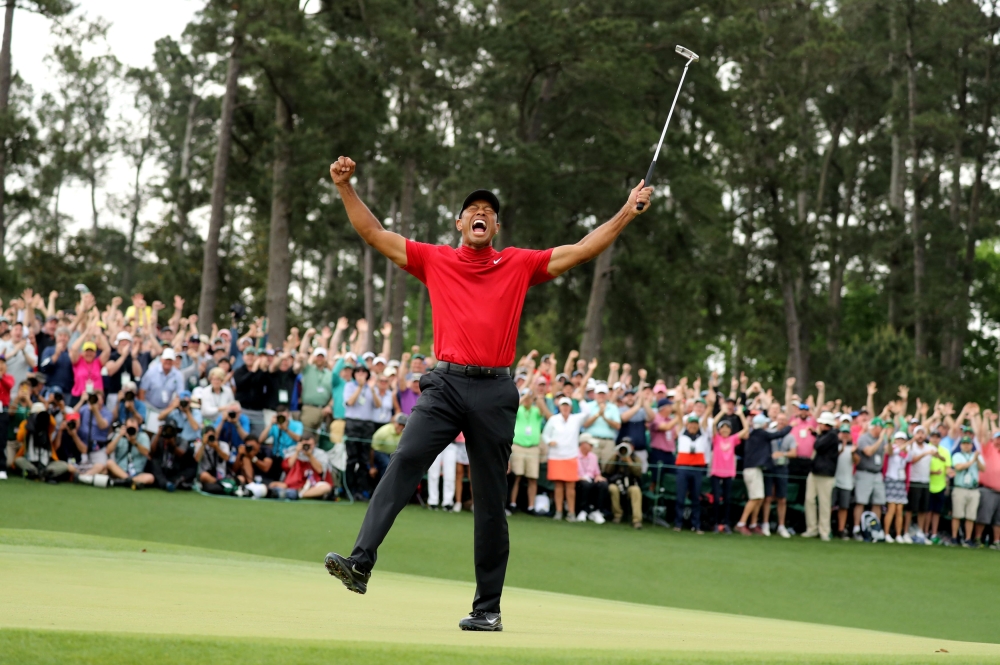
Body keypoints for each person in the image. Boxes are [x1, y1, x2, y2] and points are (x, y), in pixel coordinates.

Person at [323, 155, 654, 632]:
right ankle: (360, 563)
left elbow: (582, 250)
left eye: (489, 210)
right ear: (460, 222)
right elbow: (375, 234)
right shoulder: (436, 258)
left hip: (495, 389)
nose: (481, 214)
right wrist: (346, 187)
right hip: (445, 384)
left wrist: (625, 211)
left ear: (494, 224)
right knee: (405, 461)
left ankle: (487, 609)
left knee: (491, 499)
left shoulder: (517, 263)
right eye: (472, 209)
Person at [736, 413, 791, 536]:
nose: (767, 424)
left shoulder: (754, 434)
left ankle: (753, 524)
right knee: (755, 498)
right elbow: (778, 434)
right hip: (752, 469)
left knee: (759, 497)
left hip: (756, 469)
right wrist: (791, 426)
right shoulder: (760, 433)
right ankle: (741, 523)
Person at [542, 396, 587, 521]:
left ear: (570, 407)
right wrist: (550, 441)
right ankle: (558, 511)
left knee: (570, 487)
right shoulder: (553, 419)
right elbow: (545, 435)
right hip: (556, 456)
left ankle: (571, 513)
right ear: (559, 407)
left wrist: (581, 398)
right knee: (558, 486)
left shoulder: (576, 419)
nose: (565, 408)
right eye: (563, 405)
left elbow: (587, 413)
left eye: (567, 405)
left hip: (571, 456)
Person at [508, 386, 550, 515]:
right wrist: (525, 396)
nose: (527, 400)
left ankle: (531, 506)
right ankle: (513, 503)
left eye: (529, 398)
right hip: (518, 446)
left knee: (532, 478)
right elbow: (515, 405)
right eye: (526, 397)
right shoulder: (519, 409)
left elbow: (546, 413)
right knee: (517, 477)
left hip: (533, 448)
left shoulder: (536, 411)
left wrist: (537, 397)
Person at [801, 412, 839, 541]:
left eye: (821, 423)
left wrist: (816, 434)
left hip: (826, 475)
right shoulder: (824, 435)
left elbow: (818, 445)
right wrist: (816, 434)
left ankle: (824, 530)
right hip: (815, 472)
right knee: (809, 500)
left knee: (824, 503)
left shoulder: (833, 436)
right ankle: (812, 529)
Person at [710, 410, 748, 533]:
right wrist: (722, 411)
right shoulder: (716, 439)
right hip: (716, 472)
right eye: (723, 428)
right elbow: (713, 423)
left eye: (727, 428)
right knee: (716, 499)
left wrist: (741, 415)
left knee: (727, 500)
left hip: (728, 473)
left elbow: (746, 429)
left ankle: (726, 523)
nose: (725, 430)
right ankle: (715, 523)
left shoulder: (732, 439)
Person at [675, 410, 711, 534]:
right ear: (687, 425)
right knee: (680, 497)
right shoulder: (681, 433)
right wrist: (679, 404)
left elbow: (706, 418)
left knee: (696, 498)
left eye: (695, 424)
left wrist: (710, 406)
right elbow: (679, 416)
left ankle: (696, 525)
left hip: (697, 469)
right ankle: (678, 523)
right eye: (691, 423)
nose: (693, 426)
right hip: (683, 468)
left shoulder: (703, 435)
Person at [761, 411, 797, 538]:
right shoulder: (770, 433)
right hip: (770, 467)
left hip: (782, 468)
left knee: (782, 498)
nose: (781, 422)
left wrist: (783, 454)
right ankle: (765, 524)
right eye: (779, 420)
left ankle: (781, 526)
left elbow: (794, 453)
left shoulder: (790, 436)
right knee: (768, 497)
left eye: (783, 420)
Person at [852, 418, 887, 541]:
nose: (881, 430)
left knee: (878, 501)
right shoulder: (864, 438)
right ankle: (856, 527)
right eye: (879, 427)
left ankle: (875, 528)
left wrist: (888, 441)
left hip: (877, 473)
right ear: (873, 427)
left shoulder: (883, 439)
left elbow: (890, 452)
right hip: (864, 472)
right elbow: (868, 452)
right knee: (861, 501)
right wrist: (881, 440)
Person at [90, 418, 150, 486]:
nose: (131, 430)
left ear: (138, 428)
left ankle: (124, 481)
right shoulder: (120, 435)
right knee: (109, 463)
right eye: (129, 428)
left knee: (150, 478)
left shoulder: (143, 436)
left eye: (134, 428)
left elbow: (146, 452)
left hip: (137, 472)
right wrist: (119, 435)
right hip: (120, 470)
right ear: (125, 427)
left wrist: (134, 442)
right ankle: (130, 481)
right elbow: (108, 451)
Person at [138, 348, 185, 434]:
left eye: (170, 360)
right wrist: (143, 408)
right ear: (161, 359)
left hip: (166, 408)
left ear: (174, 361)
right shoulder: (152, 371)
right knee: (148, 431)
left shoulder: (178, 374)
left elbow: (179, 395)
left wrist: (168, 409)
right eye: (166, 359)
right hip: (150, 406)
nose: (168, 362)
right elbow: (142, 390)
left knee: (164, 431)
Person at [904, 426, 936, 542]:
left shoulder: (929, 447)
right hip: (914, 481)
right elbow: (911, 460)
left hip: (925, 481)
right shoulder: (910, 447)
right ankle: (906, 532)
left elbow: (941, 458)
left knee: (923, 509)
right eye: (918, 433)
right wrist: (924, 454)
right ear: (914, 434)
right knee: (910, 509)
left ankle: (920, 532)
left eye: (923, 433)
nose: (920, 436)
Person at [951, 436, 983, 547]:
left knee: (971, 516)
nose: (966, 445)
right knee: (957, 515)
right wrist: (972, 460)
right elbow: (958, 467)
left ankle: (968, 539)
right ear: (961, 445)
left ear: (971, 445)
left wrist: (977, 459)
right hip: (960, 488)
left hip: (973, 489)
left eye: (968, 443)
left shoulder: (976, 456)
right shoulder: (957, 455)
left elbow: (983, 468)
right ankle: (954, 538)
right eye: (964, 443)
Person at [605, 438, 643, 529]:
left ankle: (636, 520)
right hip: (618, 484)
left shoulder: (635, 458)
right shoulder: (616, 457)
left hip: (630, 485)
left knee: (636, 490)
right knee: (612, 488)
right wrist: (615, 457)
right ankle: (617, 515)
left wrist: (629, 462)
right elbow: (607, 470)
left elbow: (638, 473)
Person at [972, 430, 1000, 549]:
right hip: (988, 490)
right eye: (997, 438)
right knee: (983, 517)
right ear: (993, 439)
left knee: (998, 521)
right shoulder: (989, 449)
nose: (999, 440)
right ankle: (978, 538)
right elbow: (982, 435)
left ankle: (996, 541)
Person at [582, 383, 621, 465]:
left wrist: (604, 417)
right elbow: (584, 424)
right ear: (595, 394)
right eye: (599, 393)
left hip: (608, 442)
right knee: (590, 466)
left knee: (607, 467)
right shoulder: (588, 406)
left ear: (607, 395)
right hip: (592, 441)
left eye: (603, 394)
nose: (601, 396)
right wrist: (598, 414)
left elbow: (618, 425)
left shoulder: (613, 407)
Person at [883, 430, 911, 543]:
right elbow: (890, 452)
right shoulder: (893, 448)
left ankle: (899, 534)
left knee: (900, 509)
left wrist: (907, 447)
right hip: (891, 479)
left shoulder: (907, 452)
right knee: (891, 509)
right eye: (898, 439)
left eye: (902, 440)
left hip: (901, 481)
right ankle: (886, 533)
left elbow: (909, 458)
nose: (900, 442)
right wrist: (890, 440)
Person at [575, 434, 607, 523]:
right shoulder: (574, 455)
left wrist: (598, 477)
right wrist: (581, 478)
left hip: (590, 480)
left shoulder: (593, 456)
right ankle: (583, 511)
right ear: (583, 444)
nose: (592, 446)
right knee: (585, 485)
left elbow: (597, 473)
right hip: (578, 480)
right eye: (590, 444)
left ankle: (597, 511)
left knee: (603, 484)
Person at [927, 430, 952, 544]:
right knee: (927, 511)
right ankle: (925, 532)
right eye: (933, 437)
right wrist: (932, 472)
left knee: (936, 511)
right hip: (927, 484)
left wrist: (949, 474)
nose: (935, 439)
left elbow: (947, 467)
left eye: (937, 437)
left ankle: (934, 533)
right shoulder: (925, 448)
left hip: (940, 485)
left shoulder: (945, 451)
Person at [369, 413, 406, 486]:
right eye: (399, 424)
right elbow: (372, 449)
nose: (401, 427)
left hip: (393, 454)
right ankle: (384, 486)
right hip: (379, 452)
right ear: (395, 423)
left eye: (403, 425)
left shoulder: (405, 434)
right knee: (388, 464)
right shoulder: (384, 431)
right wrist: (372, 467)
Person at [833, 423, 856, 539]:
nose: (845, 435)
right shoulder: (834, 445)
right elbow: (832, 457)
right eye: (843, 433)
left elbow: (857, 461)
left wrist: (852, 452)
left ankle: (841, 530)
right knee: (831, 506)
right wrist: (841, 448)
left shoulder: (853, 448)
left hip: (847, 481)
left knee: (844, 507)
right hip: (833, 481)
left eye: (847, 433)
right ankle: (828, 528)